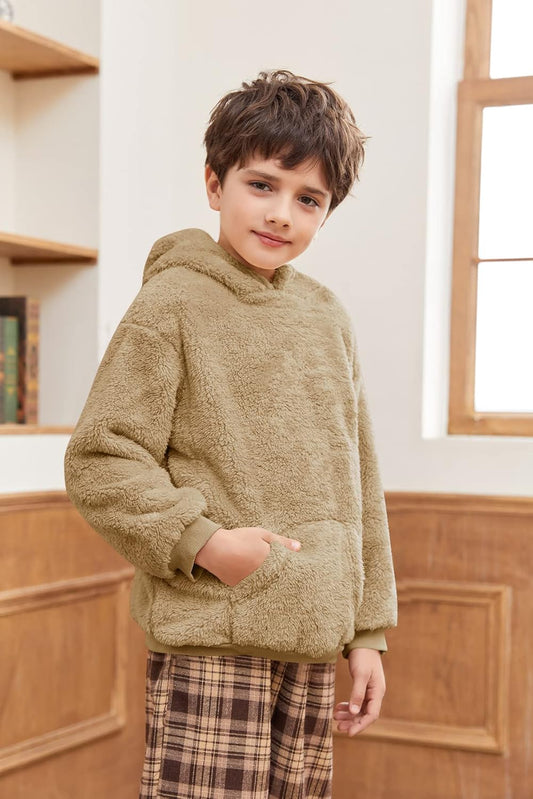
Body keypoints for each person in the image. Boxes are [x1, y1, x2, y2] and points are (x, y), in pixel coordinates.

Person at [64, 68, 398, 799]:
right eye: (262, 185)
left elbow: (359, 477)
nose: (281, 214)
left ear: (327, 211)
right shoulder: (172, 302)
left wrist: (366, 632)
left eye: (308, 199)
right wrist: (205, 543)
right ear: (215, 184)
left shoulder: (326, 318)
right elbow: (101, 457)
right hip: (213, 627)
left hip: (311, 629)